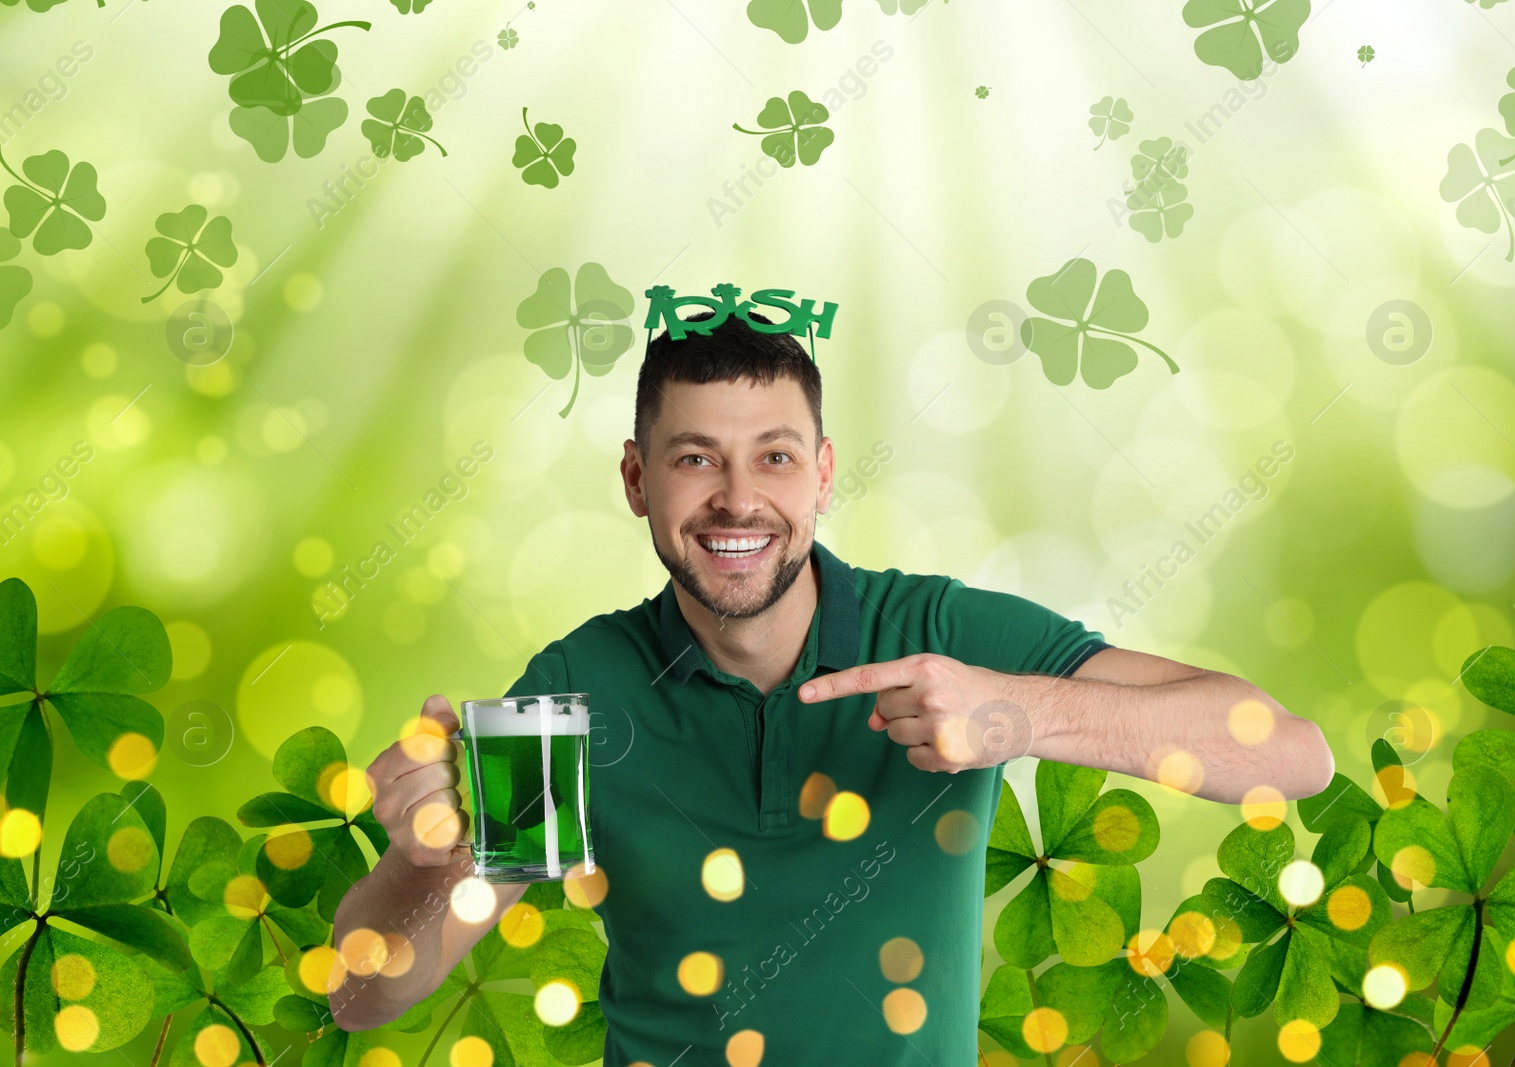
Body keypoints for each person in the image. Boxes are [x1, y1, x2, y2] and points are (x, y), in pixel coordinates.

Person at [331, 308, 1335, 1064]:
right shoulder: (576, 687)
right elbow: (364, 994)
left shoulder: (936, 631)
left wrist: (1019, 711)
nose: (737, 498)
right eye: (695, 458)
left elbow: (1290, 752)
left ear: (820, 473)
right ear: (638, 479)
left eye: (772, 456)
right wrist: (429, 861)